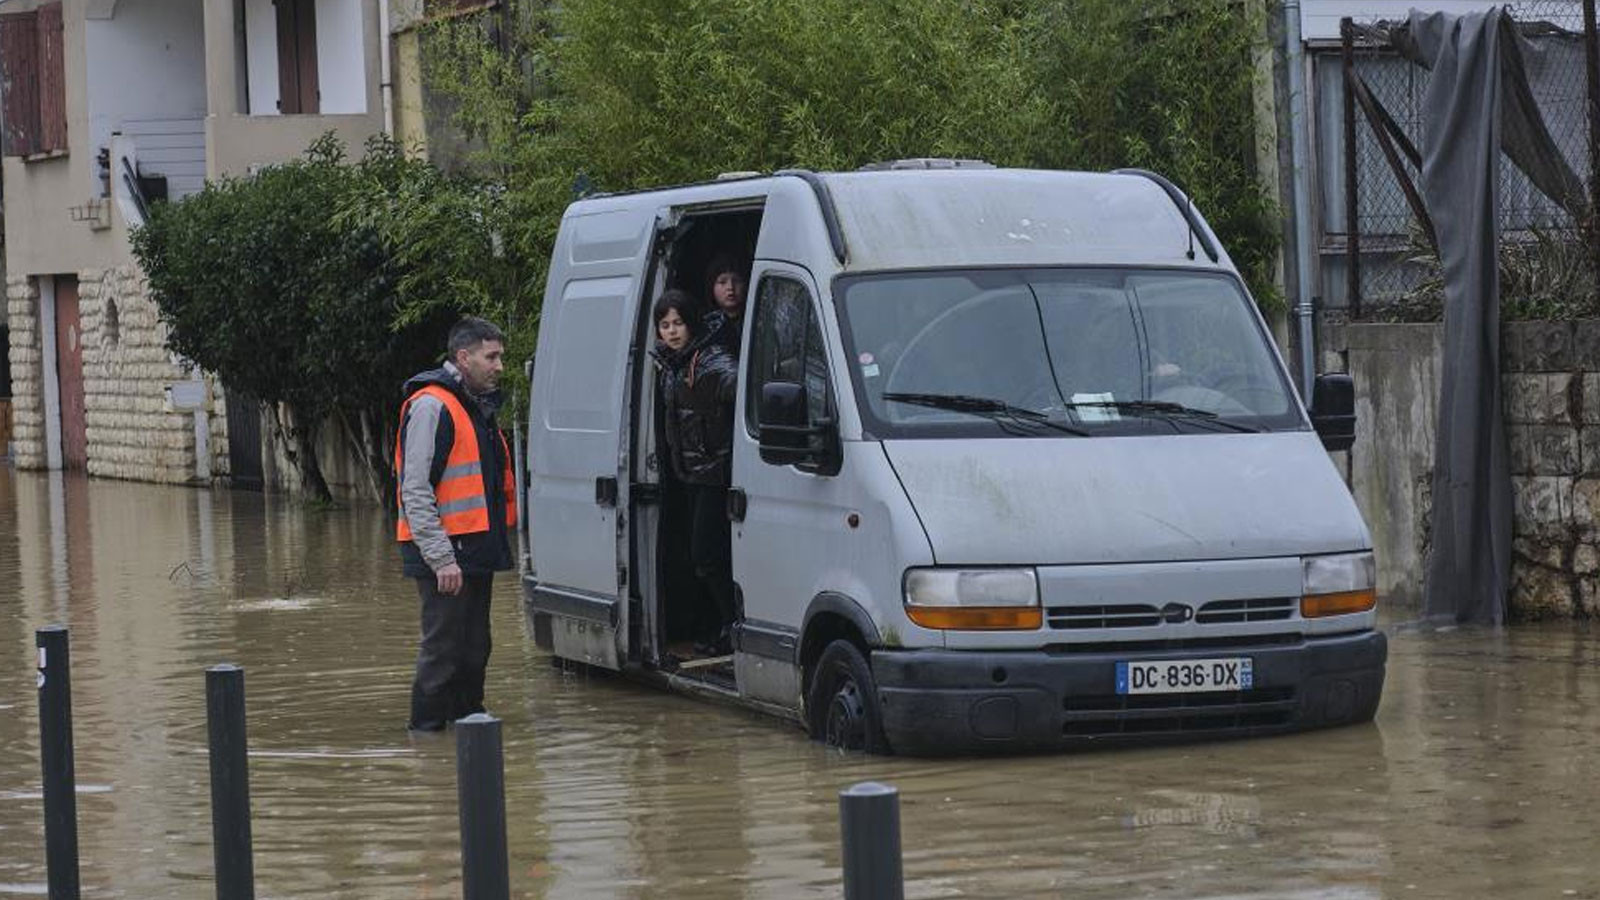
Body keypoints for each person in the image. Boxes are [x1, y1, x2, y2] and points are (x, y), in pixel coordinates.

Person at [395, 317, 516, 733]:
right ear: (463, 357)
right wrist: (441, 557)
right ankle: (426, 739)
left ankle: (469, 733)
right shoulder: (433, 405)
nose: (500, 366)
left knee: (474, 647)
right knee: (444, 648)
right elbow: (415, 488)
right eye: (492, 356)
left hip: (473, 549)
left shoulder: (473, 405)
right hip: (446, 553)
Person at [651, 289, 740, 655]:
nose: (672, 331)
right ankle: (719, 625)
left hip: (715, 474)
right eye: (665, 324)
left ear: (692, 324)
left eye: (678, 323)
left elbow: (738, 383)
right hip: (689, 472)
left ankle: (733, 626)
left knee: (707, 555)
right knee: (699, 556)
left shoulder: (710, 360)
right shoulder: (671, 363)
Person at [702, 252, 750, 357]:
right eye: (722, 282)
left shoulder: (755, 320)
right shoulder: (705, 328)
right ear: (712, 287)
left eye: (736, 281)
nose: (730, 287)